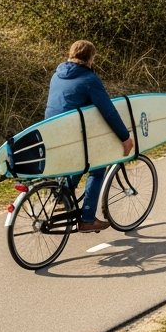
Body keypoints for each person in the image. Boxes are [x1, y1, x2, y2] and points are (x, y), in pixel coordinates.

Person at [44, 39, 133, 233]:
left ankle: (62, 196)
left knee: (79, 160)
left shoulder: (56, 76)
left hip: (53, 133)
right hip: (73, 134)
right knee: (98, 166)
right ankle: (87, 219)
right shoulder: (89, 79)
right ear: (91, 58)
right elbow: (108, 111)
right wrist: (125, 137)